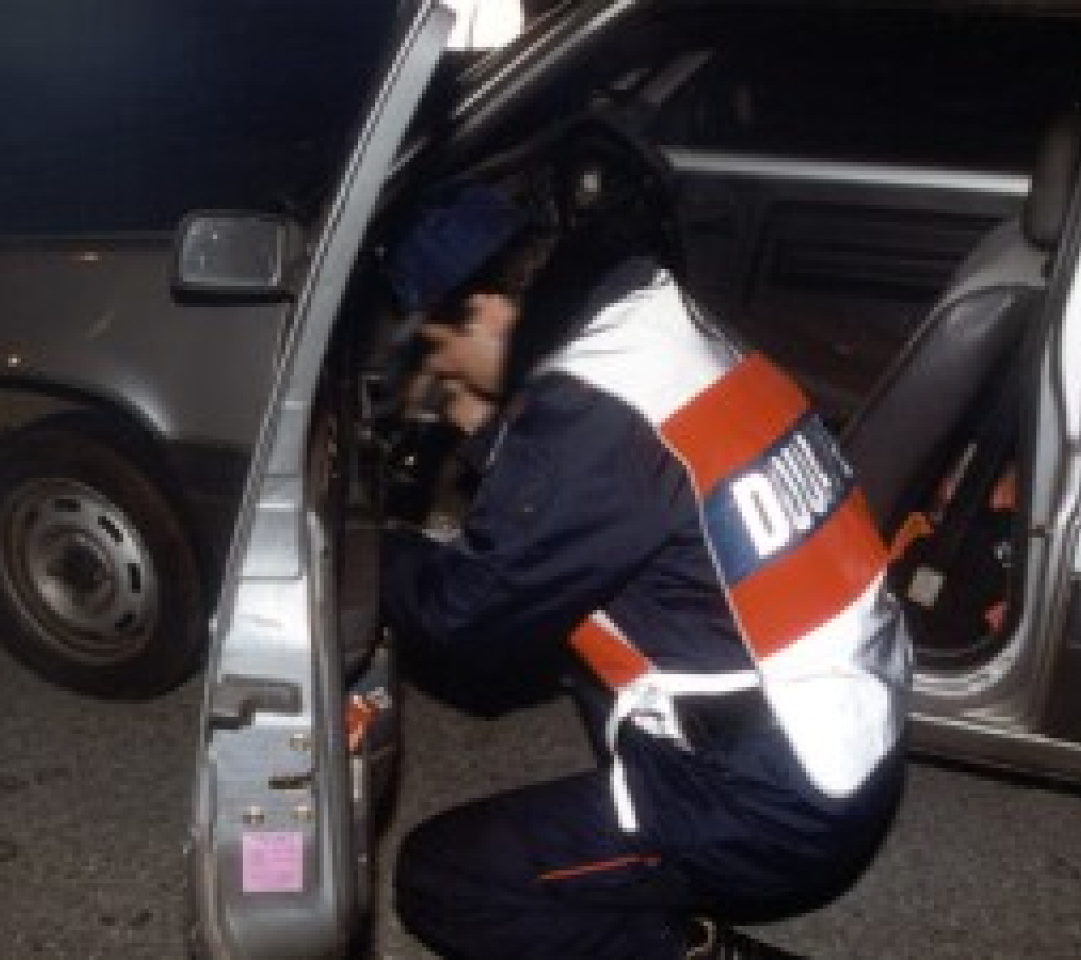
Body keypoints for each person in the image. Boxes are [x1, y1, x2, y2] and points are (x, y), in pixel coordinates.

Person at [378, 179, 912, 960]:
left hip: (775, 806)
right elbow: (613, 493)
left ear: (490, 307)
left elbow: (460, 618)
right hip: (852, 728)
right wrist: (493, 434)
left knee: (447, 881)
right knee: (573, 617)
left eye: (438, 341)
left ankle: (690, 950)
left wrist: (373, 543)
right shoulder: (657, 322)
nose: (443, 366)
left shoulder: (592, 413)